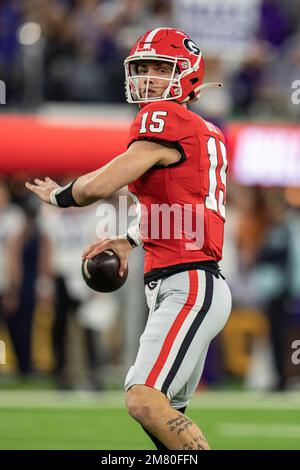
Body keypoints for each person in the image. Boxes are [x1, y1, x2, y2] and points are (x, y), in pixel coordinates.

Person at [26, 27, 232, 451]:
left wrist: (64, 195)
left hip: (188, 284)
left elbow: (102, 184)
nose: (150, 78)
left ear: (188, 76)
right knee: (165, 417)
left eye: (162, 68)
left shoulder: (166, 118)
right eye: (144, 68)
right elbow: (183, 211)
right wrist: (128, 241)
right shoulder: (205, 132)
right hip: (188, 282)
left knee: (143, 399)